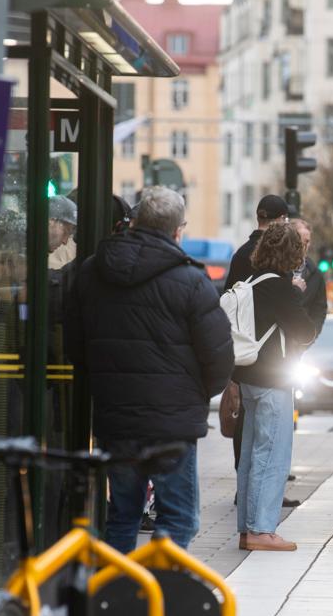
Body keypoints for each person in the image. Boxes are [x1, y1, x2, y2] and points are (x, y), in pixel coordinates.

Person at [65, 187, 234, 555]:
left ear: (135, 221)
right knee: (179, 518)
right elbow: (219, 356)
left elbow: (74, 347)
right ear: (178, 230)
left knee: (123, 514)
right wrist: (195, 396)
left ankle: (115, 597)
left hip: (116, 417)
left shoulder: (93, 271)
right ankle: (159, 597)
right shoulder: (191, 281)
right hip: (170, 425)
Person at [233, 222, 316, 552]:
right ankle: (262, 531)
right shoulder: (281, 288)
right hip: (273, 381)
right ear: (292, 253)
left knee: (251, 457)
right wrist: (296, 293)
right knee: (272, 454)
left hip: (250, 378)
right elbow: (306, 331)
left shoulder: (251, 283)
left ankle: (246, 529)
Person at [225, 194, 291, 471]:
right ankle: (260, 493)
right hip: (271, 360)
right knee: (269, 437)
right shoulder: (277, 257)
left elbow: (228, 300)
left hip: (241, 351)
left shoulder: (241, 253)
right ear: (281, 220)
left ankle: (245, 484)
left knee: (246, 424)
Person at [290, 218, 329, 339]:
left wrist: (309, 338)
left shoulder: (316, 275)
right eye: (300, 241)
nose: (304, 246)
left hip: (298, 346)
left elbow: (319, 310)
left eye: (307, 242)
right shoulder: (276, 269)